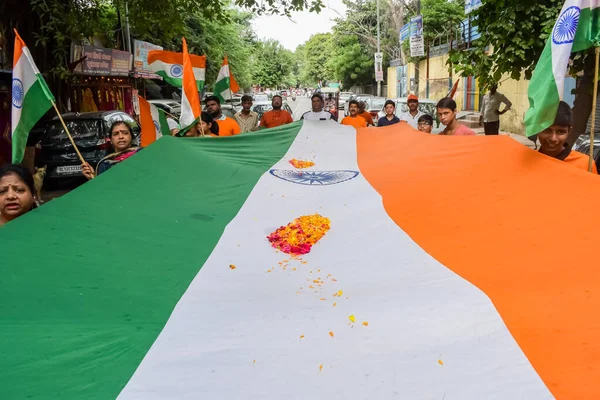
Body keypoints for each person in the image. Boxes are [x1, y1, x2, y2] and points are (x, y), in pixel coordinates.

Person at [538, 101, 597, 173]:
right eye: (547, 130)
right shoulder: (527, 159)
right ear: (537, 130)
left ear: (569, 131)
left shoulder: (585, 164)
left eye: (560, 132)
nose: (553, 138)